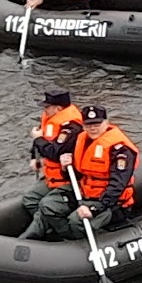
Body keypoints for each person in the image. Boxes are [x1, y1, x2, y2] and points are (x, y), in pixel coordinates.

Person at [38, 105, 139, 239]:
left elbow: (118, 185)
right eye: (88, 125)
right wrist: (65, 167)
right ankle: (66, 236)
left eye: (97, 124)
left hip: (110, 203)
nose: (92, 128)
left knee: (76, 220)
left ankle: (75, 240)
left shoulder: (120, 150)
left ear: (106, 123)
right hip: (85, 193)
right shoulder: (82, 140)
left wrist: (94, 209)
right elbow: (78, 174)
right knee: (48, 205)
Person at [18, 87, 84, 240]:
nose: (45, 109)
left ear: (58, 108)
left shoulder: (71, 127)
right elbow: (42, 139)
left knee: (46, 206)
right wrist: (34, 156)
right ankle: (49, 228)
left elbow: (56, 152)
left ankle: (64, 234)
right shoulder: (49, 118)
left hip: (68, 179)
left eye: (47, 106)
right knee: (30, 199)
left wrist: (37, 139)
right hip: (51, 176)